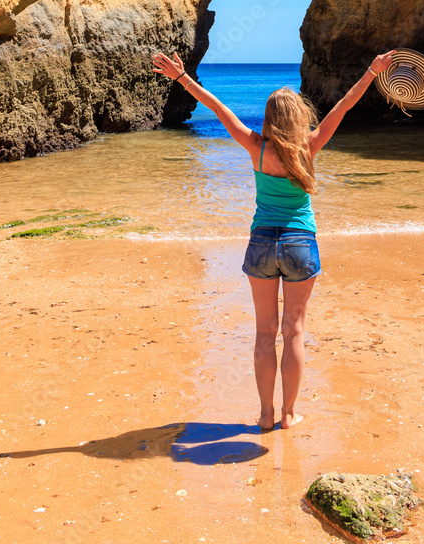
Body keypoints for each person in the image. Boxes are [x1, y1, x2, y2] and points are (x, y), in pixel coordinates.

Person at [152, 49, 396, 431]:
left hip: (262, 244)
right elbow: (345, 106)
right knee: (294, 330)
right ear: (299, 118)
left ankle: (265, 414)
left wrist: (182, 78)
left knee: (265, 331)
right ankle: (288, 415)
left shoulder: (255, 146)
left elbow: (217, 108)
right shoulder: (310, 147)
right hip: (300, 243)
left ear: (268, 119)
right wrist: (372, 71)